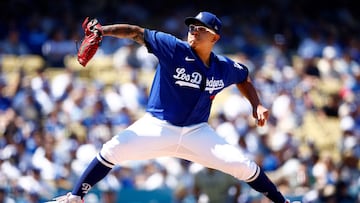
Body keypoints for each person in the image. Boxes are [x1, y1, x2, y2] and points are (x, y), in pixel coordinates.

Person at [50, 11, 289, 203]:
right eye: (191, 27)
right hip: (159, 125)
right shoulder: (173, 48)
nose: (193, 31)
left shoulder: (223, 66)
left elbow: (243, 76)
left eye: (200, 29)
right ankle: (75, 198)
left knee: (243, 166)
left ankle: (282, 201)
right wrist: (103, 31)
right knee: (112, 150)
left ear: (214, 38)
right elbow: (136, 32)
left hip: (197, 132)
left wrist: (256, 105)